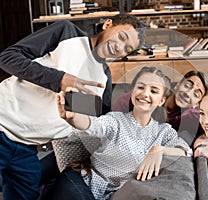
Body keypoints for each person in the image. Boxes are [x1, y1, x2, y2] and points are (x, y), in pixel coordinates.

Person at [0, 13, 144, 200]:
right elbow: (7, 58)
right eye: (122, 37)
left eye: (128, 48)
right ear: (108, 24)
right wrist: (59, 79)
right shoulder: (67, 33)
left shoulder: (103, 80)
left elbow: (98, 123)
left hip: (27, 149)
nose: (120, 47)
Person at [54, 66, 191, 200]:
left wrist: (159, 150)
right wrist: (73, 117)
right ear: (132, 91)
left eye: (154, 91)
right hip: (82, 181)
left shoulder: (164, 131)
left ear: (161, 100)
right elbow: (93, 125)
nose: (145, 93)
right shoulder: (115, 120)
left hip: (116, 194)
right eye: (140, 87)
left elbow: (185, 150)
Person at [113, 70, 208, 146]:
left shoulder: (189, 118)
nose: (188, 93)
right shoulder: (133, 100)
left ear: (197, 104)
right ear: (177, 85)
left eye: (196, 94)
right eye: (187, 86)